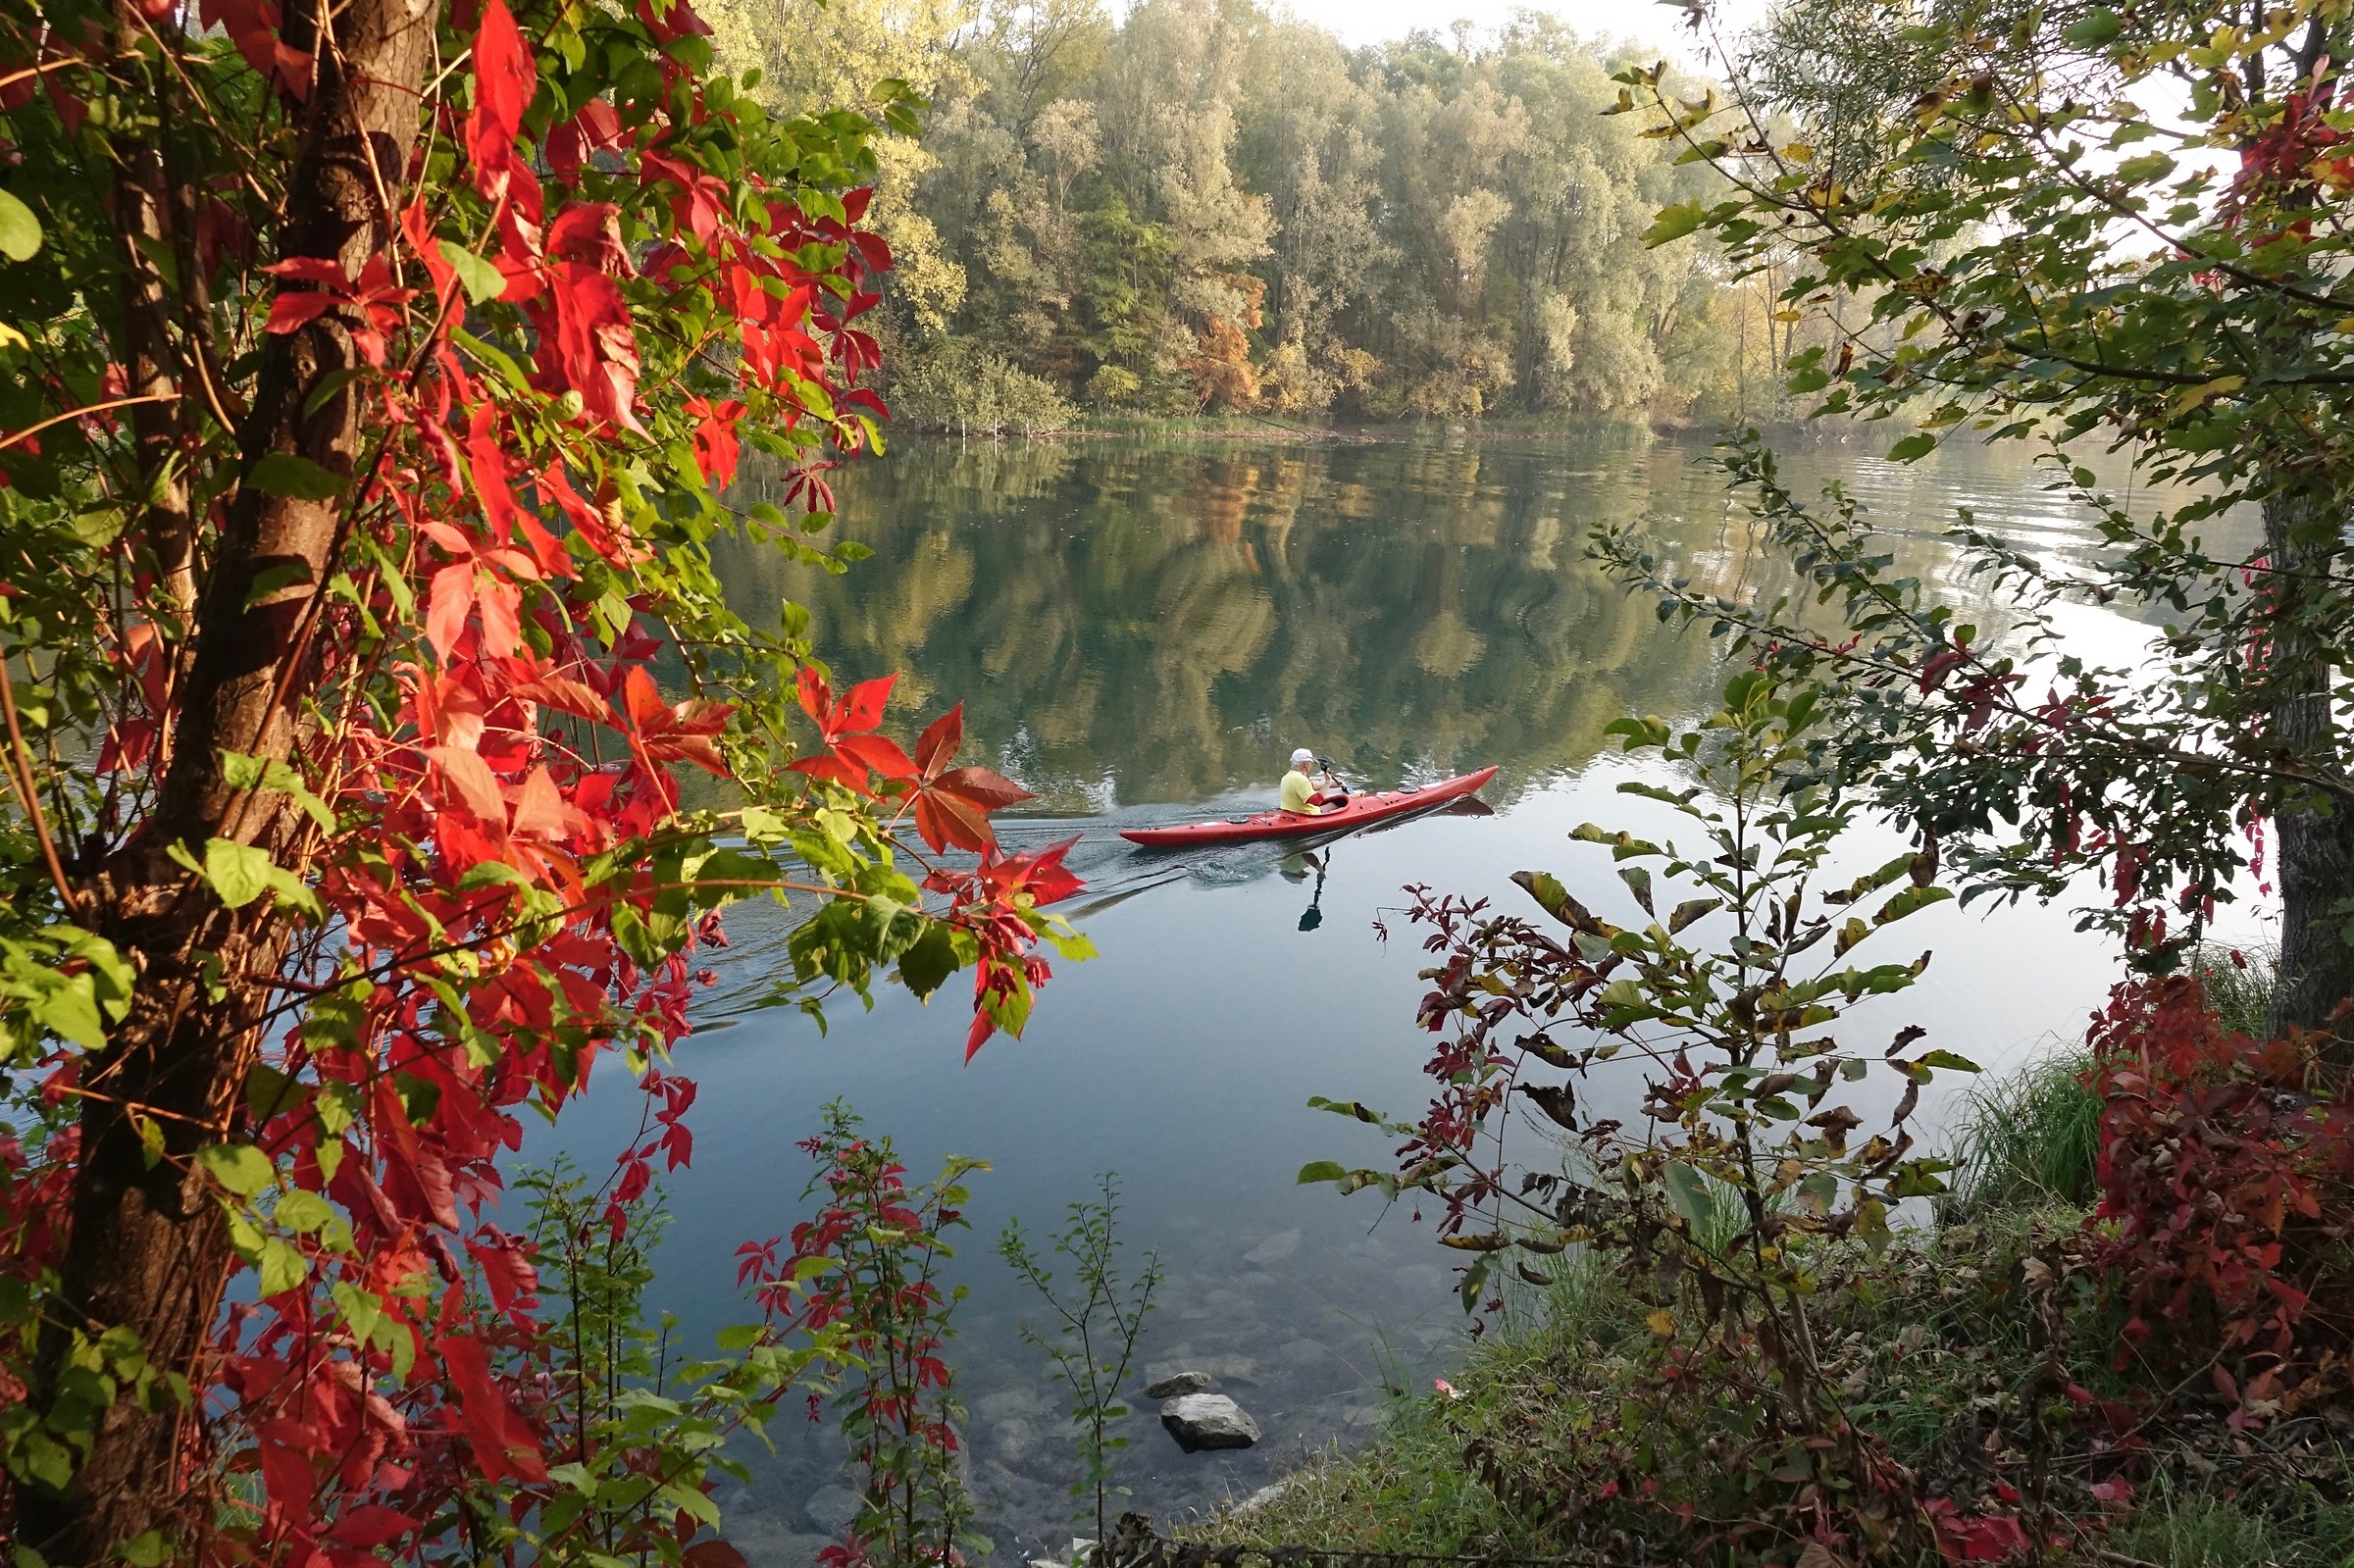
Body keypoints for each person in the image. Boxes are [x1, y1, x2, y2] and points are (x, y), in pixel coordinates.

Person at [1279, 747, 1347, 815]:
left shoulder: (1287, 777)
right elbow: (1317, 801)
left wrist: (1331, 784)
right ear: (1306, 764)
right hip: (1307, 815)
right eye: (1310, 763)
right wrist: (1327, 781)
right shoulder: (1301, 780)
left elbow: (1309, 786)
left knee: (1332, 804)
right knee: (1339, 807)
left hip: (1293, 812)